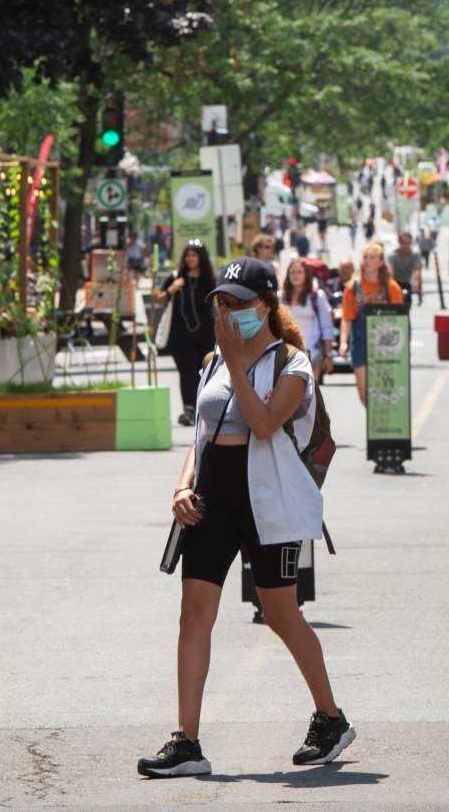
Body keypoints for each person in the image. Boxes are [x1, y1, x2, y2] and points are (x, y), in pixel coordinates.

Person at [138, 257, 353, 778]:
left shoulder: (293, 365)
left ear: (266, 305)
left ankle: (330, 718)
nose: (227, 312)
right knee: (195, 613)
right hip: (213, 498)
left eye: (238, 303)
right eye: (221, 303)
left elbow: (262, 425)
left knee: (281, 614)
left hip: (267, 501)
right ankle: (187, 741)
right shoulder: (213, 361)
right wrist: (182, 485)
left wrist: (235, 359)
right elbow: (202, 435)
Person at [338, 242, 403, 405]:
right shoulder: (352, 288)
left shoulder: (392, 288)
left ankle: (382, 426)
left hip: (385, 345)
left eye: (372, 257)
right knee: (364, 394)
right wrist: (343, 343)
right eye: (365, 257)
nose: (367, 261)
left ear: (381, 262)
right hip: (360, 344)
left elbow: (400, 320)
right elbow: (347, 318)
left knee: (383, 391)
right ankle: (375, 424)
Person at [162, 240, 216, 426]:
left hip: (205, 334)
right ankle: (189, 409)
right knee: (186, 372)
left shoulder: (209, 280)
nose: (190, 259)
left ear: (201, 258)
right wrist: (172, 289)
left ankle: (204, 408)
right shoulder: (176, 277)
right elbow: (159, 297)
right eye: (188, 255)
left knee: (205, 371)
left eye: (194, 255)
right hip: (180, 335)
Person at [282, 258, 335, 383]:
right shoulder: (281, 297)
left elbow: (327, 327)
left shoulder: (317, 296)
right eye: (292, 272)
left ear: (306, 274)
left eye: (299, 272)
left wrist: (328, 355)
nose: (295, 275)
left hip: (313, 352)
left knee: (310, 395)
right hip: (286, 354)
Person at [387, 231, 423, 306]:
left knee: (407, 302)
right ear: (399, 243)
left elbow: (417, 271)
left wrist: (416, 284)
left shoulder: (414, 255)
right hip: (395, 282)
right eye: (403, 243)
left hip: (406, 282)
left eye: (408, 243)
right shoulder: (393, 255)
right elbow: (390, 271)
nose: (406, 246)